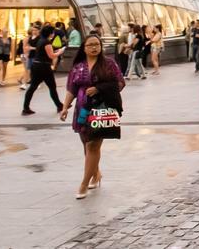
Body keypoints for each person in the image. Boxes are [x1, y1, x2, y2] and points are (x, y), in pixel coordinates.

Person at [59, 33, 126, 198]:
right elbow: (71, 89)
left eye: (97, 44)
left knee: (93, 145)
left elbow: (120, 83)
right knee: (86, 144)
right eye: (90, 45)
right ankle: (96, 174)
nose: (94, 47)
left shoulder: (108, 64)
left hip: (100, 109)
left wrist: (99, 89)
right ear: (84, 47)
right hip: (82, 109)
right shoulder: (78, 66)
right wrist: (65, 107)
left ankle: (83, 184)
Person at [22, 25, 62, 116]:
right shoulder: (47, 42)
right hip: (44, 67)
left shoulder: (40, 41)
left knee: (32, 87)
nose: (53, 33)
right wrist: (60, 52)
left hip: (36, 66)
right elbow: (51, 56)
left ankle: (25, 108)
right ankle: (59, 106)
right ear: (50, 33)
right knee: (52, 87)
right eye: (53, 32)